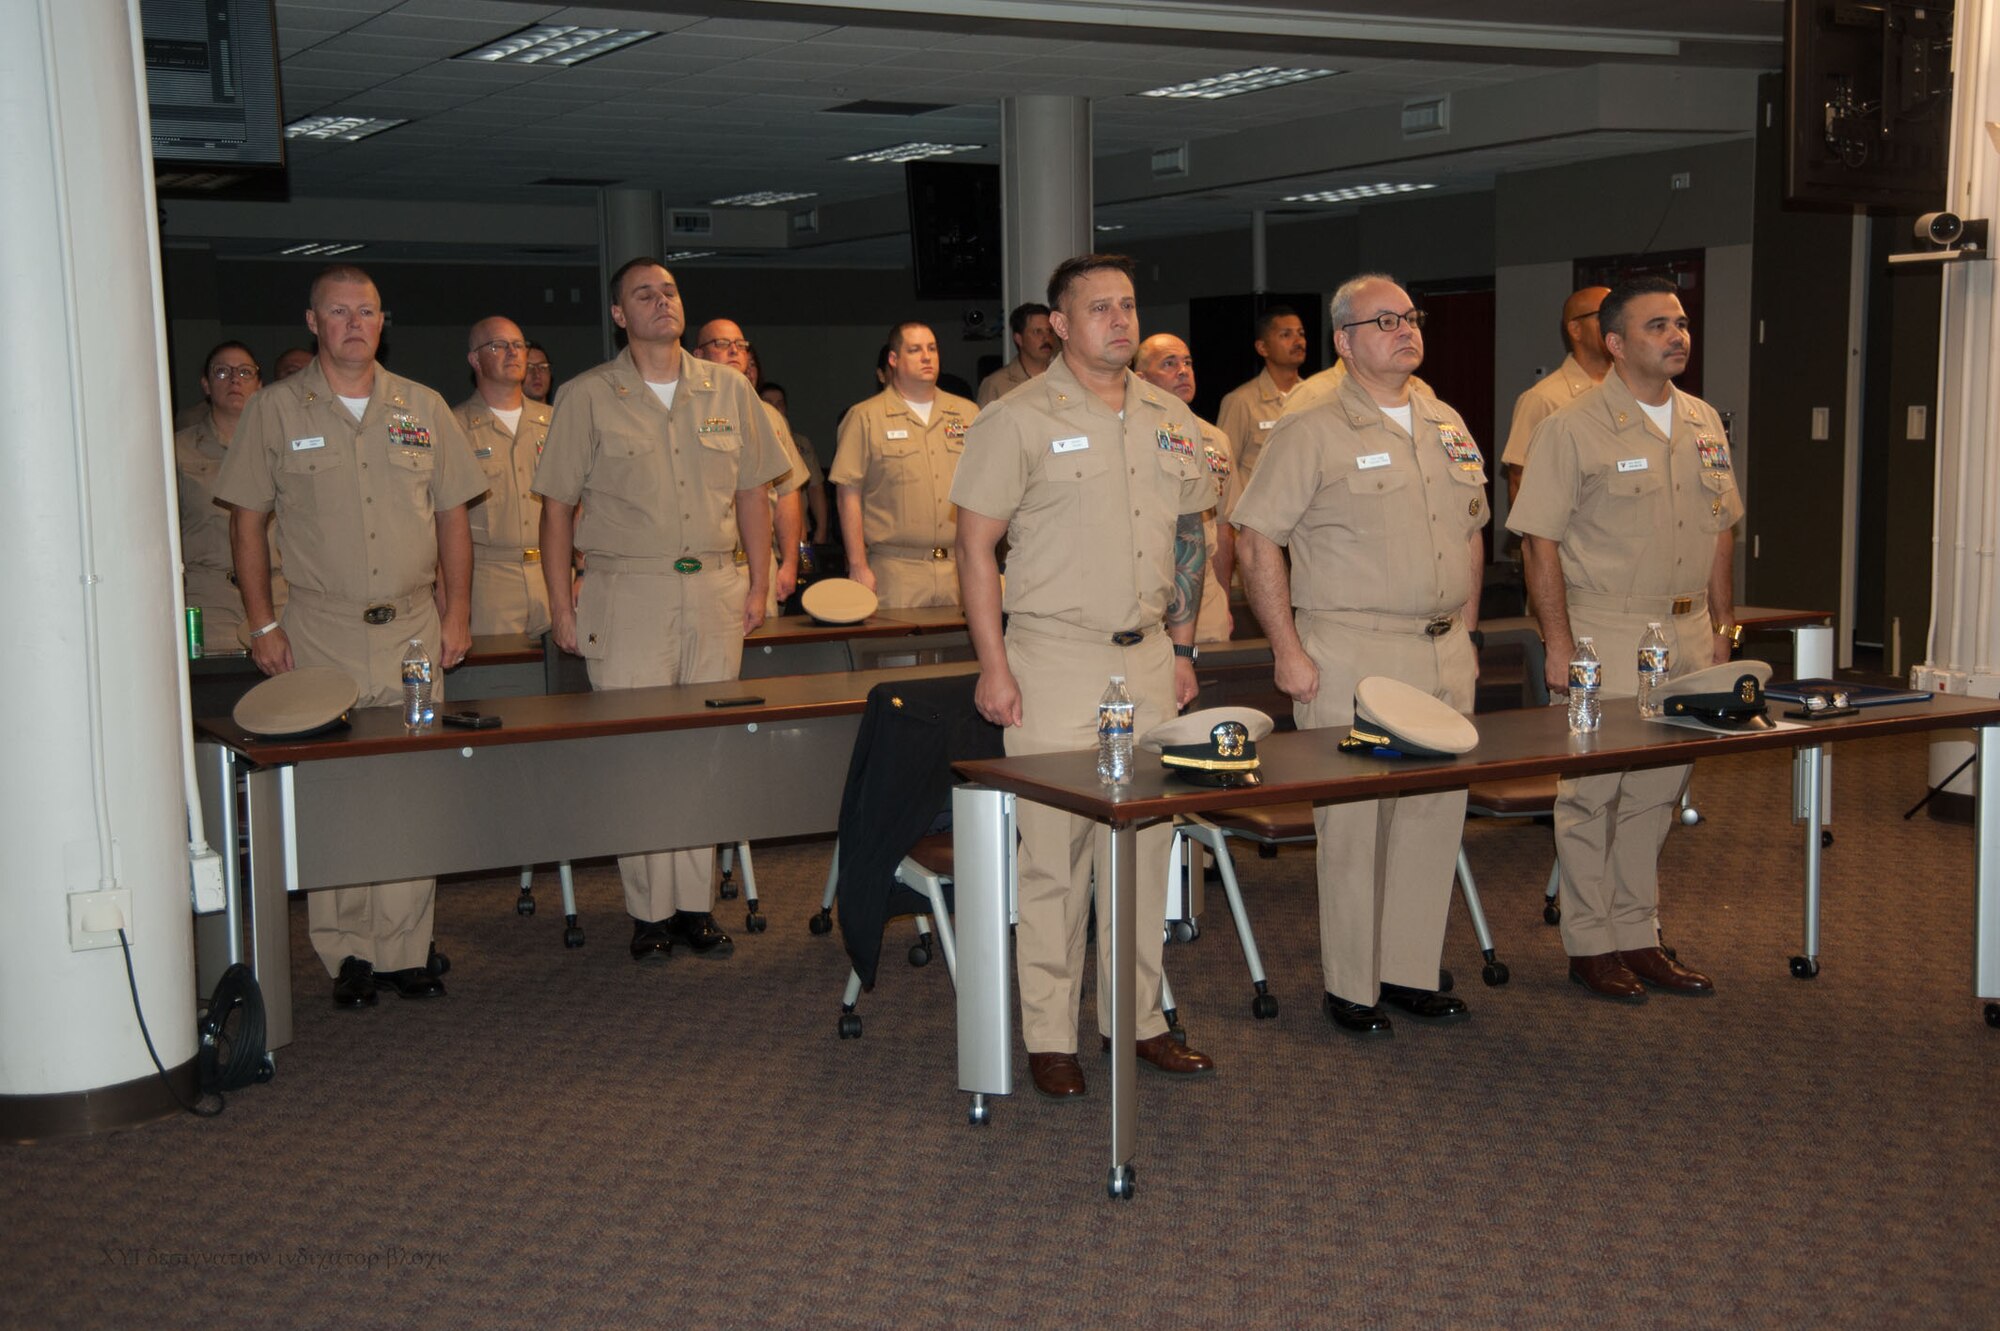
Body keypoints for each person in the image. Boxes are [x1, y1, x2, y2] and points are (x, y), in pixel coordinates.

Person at [950, 253, 1217, 1099]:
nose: (1119, 320)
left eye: (1128, 305)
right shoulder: (1017, 417)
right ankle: (1050, 1034)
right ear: (1059, 325)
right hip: (1053, 656)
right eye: (1097, 308)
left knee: (1144, 847)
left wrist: (1181, 648)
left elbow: (1189, 538)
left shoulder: (1171, 417)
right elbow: (973, 546)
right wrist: (994, 666)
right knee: (1056, 859)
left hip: (1145, 656)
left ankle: (1136, 1020)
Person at [213, 265, 483, 1010]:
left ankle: (404, 945)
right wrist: (262, 623)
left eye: (366, 311)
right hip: (319, 628)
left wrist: (458, 612)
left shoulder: (422, 407)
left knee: (408, 786)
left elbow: (451, 517)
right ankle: (349, 952)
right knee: (335, 789)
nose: (354, 323)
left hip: (411, 627)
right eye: (339, 312)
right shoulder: (275, 409)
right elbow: (246, 520)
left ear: (382, 321)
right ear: (313, 322)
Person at [1233, 274, 1485, 1036]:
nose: (1404, 329)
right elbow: (1256, 537)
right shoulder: (1311, 423)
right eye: (1384, 320)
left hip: (1442, 648)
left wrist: (1468, 631)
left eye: (1410, 317)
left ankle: (1408, 969)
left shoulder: (1443, 417)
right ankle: (1351, 984)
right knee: (1356, 825)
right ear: (1343, 340)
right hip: (1352, 649)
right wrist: (1288, 650)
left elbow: (1472, 530)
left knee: (1435, 815)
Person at [533, 258, 790, 964]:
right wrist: (562, 603)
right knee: (640, 750)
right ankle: (648, 911)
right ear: (619, 315)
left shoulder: (729, 389)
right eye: (643, 294)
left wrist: (758, 582)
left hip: (713, 586)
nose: (661, 303)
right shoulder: (588, 395)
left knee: (705, 748)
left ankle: (695, 906)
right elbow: (556, 510)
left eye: (670, 291)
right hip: (628, 589)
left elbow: (751, 495)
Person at [1508, 275, 1743, 1002]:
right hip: (1604, 628)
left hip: (1687, 630)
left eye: (1680, 323)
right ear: (1614, 343)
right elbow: (1538, 541)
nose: (1677, 336)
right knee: (1591, 793)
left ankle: (1638, 932)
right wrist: (1557, 642)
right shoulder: (1571, 426)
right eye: (1656, 326)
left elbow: (1721, 528)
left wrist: (1723, 628)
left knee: (1657, 790)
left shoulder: (1703, 419)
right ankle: (1589, 941)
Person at [830, 322, 978, 608]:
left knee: (963, 652)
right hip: (896, 569)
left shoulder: (967, 413)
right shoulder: (865, 417)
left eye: (932, 349)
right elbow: (847, 496)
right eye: (915, 350)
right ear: (893, 360)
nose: (926, 357)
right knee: (899, 652)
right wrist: (857, 564)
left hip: (959, 567)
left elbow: (987, 489)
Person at [691, 318, 809, 617]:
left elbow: (787, 494)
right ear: (698, 355)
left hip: (760, 566)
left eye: (741, 346)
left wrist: (790, 563)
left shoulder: (769, 416)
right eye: (721, 344)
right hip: (705, 568)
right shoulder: (684, 412)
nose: (734, 351)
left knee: (766, 658)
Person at [175, 341, 285, 642]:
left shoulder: (284, 448)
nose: (235, 379)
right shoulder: (177, 451)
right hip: (211, 600)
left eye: (245, 372)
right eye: (222, 372)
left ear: (260, 385)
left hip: (278, 598)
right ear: (206, 385)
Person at [454, 316, 555, 636]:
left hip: (552, 576)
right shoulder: (454, 427)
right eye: (499, 346)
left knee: (566, 683)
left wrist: (581, 571)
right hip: (489, 583)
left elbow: (581, 504)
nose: (513, 353)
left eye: (518, 345)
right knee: (499, 682)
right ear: (475, 360)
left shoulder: (556, 422)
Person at [1133, 333, 1236, 643]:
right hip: (1145, 595)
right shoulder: (1126, 436)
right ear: (1141, 379)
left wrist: (1224, 603)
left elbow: (1223, 528)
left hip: (1204, 599)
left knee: (1207, 687)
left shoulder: (1215, 439)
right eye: (1169, 363)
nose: (1183, 370)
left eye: (1187, 362)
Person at [1500, 285, 1612, 503]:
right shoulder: (1544, 399)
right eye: (1604, 316)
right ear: (1575, 329)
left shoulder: (1630, 390)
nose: (1614, 324)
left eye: (1617, 315)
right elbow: (1519, 481)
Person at [1216, 304, 1307, 483]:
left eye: (1301, 333)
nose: (1298, 341)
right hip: (1258, 509)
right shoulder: (1241, 401)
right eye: (1286, 335)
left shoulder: (1315, 397)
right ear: (1262, 348)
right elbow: (1222, 468)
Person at [760, 381, 829, 547]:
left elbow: (815, 487)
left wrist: (821, 530)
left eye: (780, 403)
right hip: (764, 533)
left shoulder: (801, 443)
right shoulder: (755, 443)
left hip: (800, 531)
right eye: (768, 403)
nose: (775, 408)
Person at [975, 302, 1057, 405]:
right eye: (1037, 331)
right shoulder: (997, 385)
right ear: (1019, 339)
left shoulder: (1063, 378)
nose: (1046, 338)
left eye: (1049, 331)